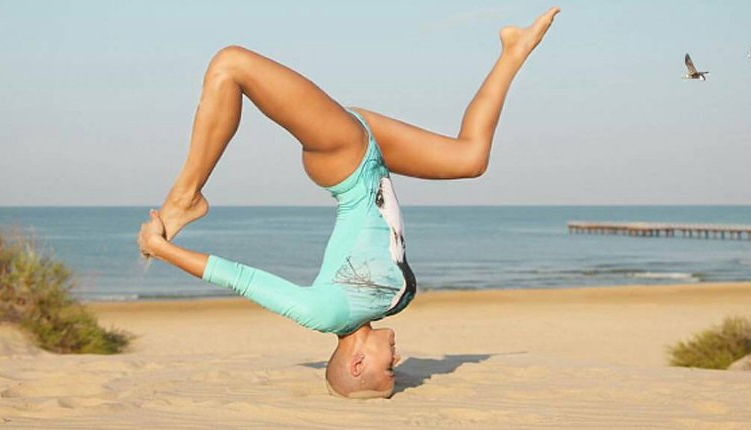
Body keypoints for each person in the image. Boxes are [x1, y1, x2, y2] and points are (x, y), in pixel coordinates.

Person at [137, 6, 560, 399]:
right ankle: (514, 49)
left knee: (231, 64)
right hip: (372, 154)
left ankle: (186, 197)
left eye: (388, 369)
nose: (397, 359)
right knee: (470, 158)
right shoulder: (390, 305)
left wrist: (161, 248)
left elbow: (240, 278)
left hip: (345, 157)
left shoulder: (325, 313)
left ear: (357, 363)